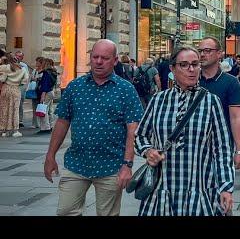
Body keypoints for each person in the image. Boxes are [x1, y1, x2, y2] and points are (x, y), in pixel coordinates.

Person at [44, 39, 143, 216]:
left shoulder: (125, 90)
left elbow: (132, 130)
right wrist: (50, 155)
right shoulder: (75, 86)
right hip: (76, 164)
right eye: (95, 56)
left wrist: (127, 165)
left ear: (115, 60)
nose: (98, 61)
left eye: (104, 58)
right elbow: (62, 122)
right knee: (66, 211)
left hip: (111, 166)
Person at [134, 45, 234, 216]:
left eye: (195, 64)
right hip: (162, 191)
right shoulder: (158, 100)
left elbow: (222, 148)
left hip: (199, 191)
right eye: (184, 65)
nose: (191, 69)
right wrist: (148, 151)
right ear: (172, 68)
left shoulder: (211, 102)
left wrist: (226, 187)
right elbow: (140, 135)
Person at [197, 38, 240, 177]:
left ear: (219, 54)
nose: (202, 54)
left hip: (220, 145)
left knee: (219, 190)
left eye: (207, 51)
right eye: (200, 51)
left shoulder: (231, 82)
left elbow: (236, 117)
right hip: (192, 144)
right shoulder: (191, 80)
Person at [0, 53, 30, 137]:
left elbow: (2, 79)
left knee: (4, 109)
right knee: (15, 109)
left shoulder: (5, 67)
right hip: (16, 89)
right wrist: (19, 83)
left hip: (6, 88)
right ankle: (15, 130)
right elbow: (25, 80)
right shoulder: (23, 69)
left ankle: (4, 130)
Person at [34, 58, 57, 133]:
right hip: (50, 92)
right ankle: (49, 126)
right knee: (47, 110)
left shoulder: (47, 73)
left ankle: (45, 128)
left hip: (46, 93)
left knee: (43, 110)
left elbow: (45, 85)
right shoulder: (53, 72)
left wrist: (43, 95)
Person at [14, 50, 30, 128]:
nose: (18, 57)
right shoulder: (11, 65)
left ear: (22, 57)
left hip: (21, 87)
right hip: (13, 86)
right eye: (17, 56)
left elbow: (26, 77)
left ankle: (20, 120)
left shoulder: (24, 66)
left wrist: (26, 87)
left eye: (20, 56)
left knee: (20, 104)